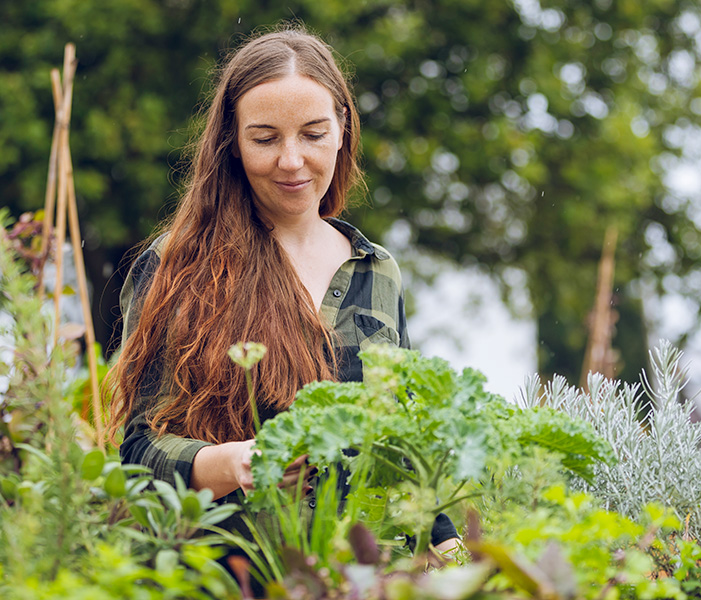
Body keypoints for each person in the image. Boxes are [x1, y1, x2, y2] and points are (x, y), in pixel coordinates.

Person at [106, 26, 459, 570]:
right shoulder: (180, 264)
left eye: (313, 134)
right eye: (265, 139)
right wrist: (232, 463)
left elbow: (404, 443)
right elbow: (135, 452)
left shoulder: (377, 270)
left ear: (343, 128)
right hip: (231, 574)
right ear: (233, 141)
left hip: (363, 577)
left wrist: (454, 550)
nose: (291, 161)